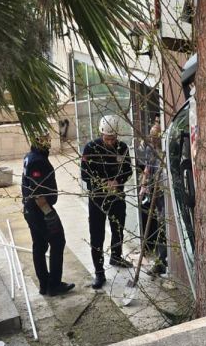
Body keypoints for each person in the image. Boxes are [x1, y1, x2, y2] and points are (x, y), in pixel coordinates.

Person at [82, 115, 134, 289]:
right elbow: (85, 175)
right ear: (101, 134)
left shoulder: (122, 148)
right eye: (107, 138)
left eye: (113, 138)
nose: (110, 142)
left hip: (117, 196)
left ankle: (116, 256)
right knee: (97, 235)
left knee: (118, 228)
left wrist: (118, 181)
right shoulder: (90, 148)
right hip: (97, 198)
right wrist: (103, 183)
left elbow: (128, 170)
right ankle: (99, 272)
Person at [22, 134, 75, 296]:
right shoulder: (38, 161)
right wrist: (48, 214)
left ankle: (44, 284)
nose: (48, 142)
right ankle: (54, 285)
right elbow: (38, 193)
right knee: (58, 241)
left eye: (48, 138)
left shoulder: (30, 156)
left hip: (30, 210)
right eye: (45, 139)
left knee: (39, 245)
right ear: (37, 140)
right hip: (39, 211)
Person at [139, 119, 168, 275]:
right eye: (151, 136)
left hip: (165, 193)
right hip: (154, 194)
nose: (152, 139)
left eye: (155, 136)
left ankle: (161, 262)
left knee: (164, 226)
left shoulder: (166, 150)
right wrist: (144, 185)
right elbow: (147, 168)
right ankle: (159, 261)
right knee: (159, 225)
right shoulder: (150, 150)